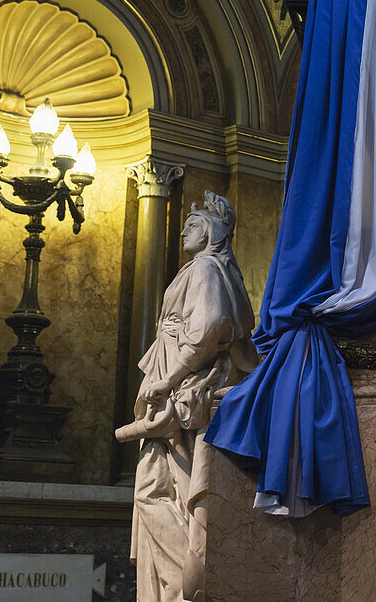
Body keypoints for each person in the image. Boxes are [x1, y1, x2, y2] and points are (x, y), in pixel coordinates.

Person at [119, 192, 258, 602]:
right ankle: (191, 578)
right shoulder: (205, 269)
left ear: (213, 233)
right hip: (177, 382)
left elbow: (211, 325)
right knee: (166, 488)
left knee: (157, 487)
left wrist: (170, 378)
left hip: (183, 390)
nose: (183, 230)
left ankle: (194, 578)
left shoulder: (206, 270)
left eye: (194, 225)